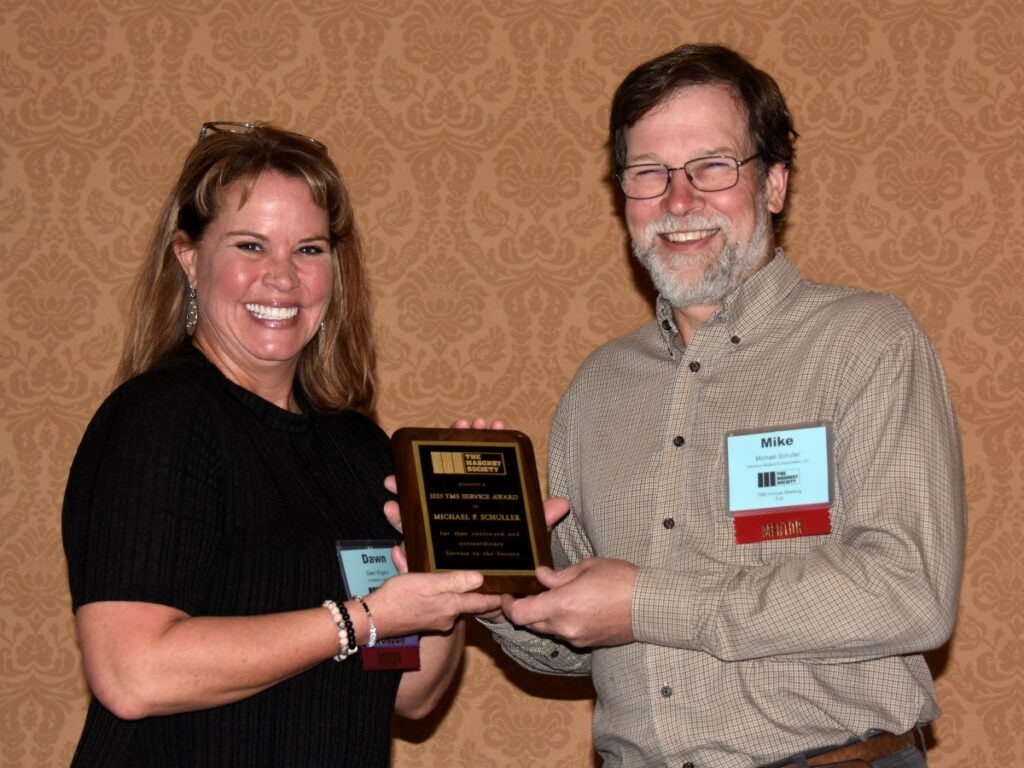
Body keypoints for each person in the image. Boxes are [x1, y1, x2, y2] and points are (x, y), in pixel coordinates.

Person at [484, 44, 966, 768]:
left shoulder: (866, 342)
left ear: (773, 184)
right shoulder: (598, 388)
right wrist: (500, 597)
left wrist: (648, 602)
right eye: (649, 174)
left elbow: (909, 593)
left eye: (712, 167)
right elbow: (585, 643)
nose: (679, 202)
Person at [61, 121, 501, 767]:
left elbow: (411, 692)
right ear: (188, 256)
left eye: (309, 250)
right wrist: (362, 618)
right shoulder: (160, 417)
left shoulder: (359, 447)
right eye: (250, 245)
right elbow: (133, 675)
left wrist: (450, 564)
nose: (282, 278)